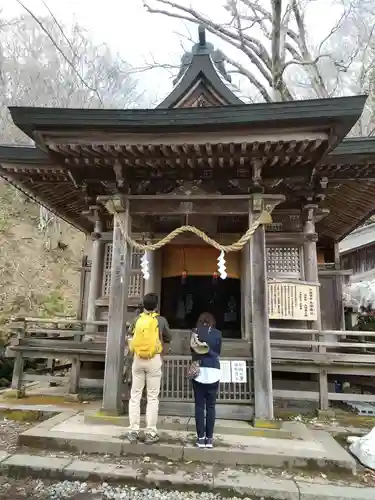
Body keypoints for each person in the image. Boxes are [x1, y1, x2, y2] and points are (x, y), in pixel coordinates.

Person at [126, 293, 171, 444]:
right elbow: (168, 337)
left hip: (138, 359)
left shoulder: (137, 319)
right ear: (156, 305)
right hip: (153, 359)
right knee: (152, 397)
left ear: (143, 305)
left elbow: (129, 335)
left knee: (135, 395)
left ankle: (133, 430)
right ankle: (151, 432)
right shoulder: (161, 320)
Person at [190, 312, 222, 449]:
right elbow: (218, 352)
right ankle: (209, 439)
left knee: (199, 406)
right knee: (211, 406)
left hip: (199, 371)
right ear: (212, 322)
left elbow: (191, 351)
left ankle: (200, 438)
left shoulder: (195, 332)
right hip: (214, 370)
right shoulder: (218, 333)